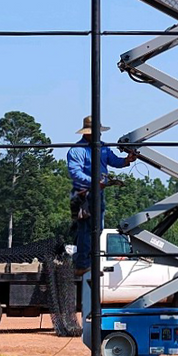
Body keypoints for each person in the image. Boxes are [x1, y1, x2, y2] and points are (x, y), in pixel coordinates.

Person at [65, 116, 134, 271]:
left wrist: (126, 160)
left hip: (97, 192)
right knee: (86, 228)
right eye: (97, 132)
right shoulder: (77, 150)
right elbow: (75, 173)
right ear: (89, 133)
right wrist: (94, 181)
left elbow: (115, 161)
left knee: (97, 228)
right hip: (83, 194)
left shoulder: (102, 148)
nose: (100, 135)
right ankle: (83, 263)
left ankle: (86, 260)